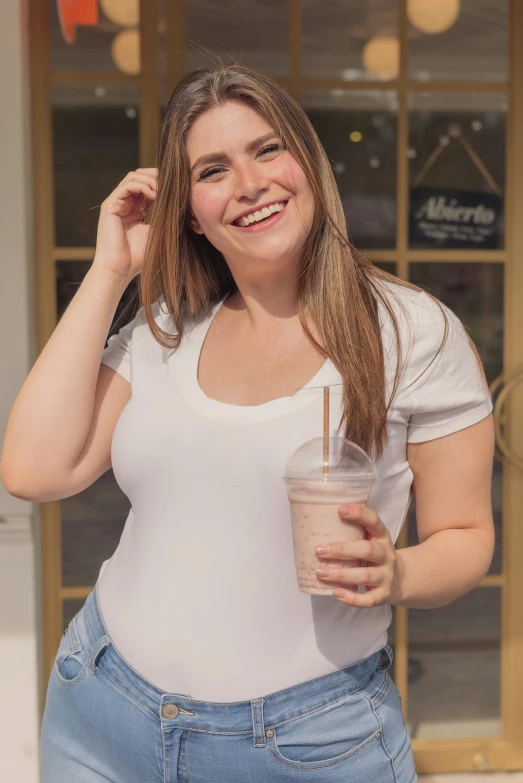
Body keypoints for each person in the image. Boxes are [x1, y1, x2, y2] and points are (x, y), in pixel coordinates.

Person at [1, 64, 494, 782]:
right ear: (190, 213)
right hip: (101, 714)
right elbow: (33, 469)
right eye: (212, 169)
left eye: (267, 150)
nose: (250, 183)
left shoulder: (411, 332)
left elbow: (466, 536)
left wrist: (397, 570)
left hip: (309, 746)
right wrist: (112, 270)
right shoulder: (168, 324)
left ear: (307, 164)